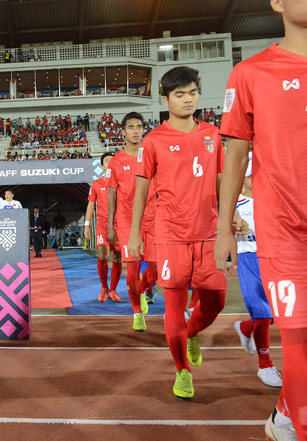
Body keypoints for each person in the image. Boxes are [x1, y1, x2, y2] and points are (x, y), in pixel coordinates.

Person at [215, 1, 307, 438]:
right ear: (278, 3)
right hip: (286, 239)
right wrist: (223, 227)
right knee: (305, 362)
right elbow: (235, 157)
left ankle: (281, 416)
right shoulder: (251, 74)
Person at [128, 66, 225, 401]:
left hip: (209, 232)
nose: (188, 99)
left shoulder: (212, 133)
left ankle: (193, 331)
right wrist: (134, 234)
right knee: (173, 304)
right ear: (165, 98)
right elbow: (141, 190)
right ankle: (182, 370)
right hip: (169, 235)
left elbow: (220, 181)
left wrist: (232, 215)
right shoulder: (153, 141)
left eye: (192, 93)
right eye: (180, 94)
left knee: (216, 299)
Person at [232, 155, 283, 388]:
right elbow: (226, 228)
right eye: (254, 175)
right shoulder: (236, 204)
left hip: (275, 258)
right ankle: (265, 364)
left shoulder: (274, 200)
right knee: (263, 314)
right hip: (250, 259)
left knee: (273, 314)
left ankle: (245, 327)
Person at [108, 112, 157, 332]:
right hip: (127, 221)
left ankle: (144, 290)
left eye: (139, 126)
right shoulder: (116, 161)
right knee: (133, 268)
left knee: (156, 269)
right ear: (123, 132)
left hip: (154, 218)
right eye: (131, 127)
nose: (136, 130)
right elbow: (111, 196)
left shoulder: (153, 155)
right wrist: (111, 226)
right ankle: (137, 312)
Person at [84, 152, 122, 304]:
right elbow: (91, 204)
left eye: (113, 161)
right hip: (102, 224)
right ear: (102, 166)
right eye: (107, 161)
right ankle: (104, 287)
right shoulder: (96, 184)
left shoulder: (122, 183)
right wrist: (86, 225)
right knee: (103, 256)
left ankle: (113, 289)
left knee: (117, 257)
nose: (110, 163)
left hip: (119, 224)